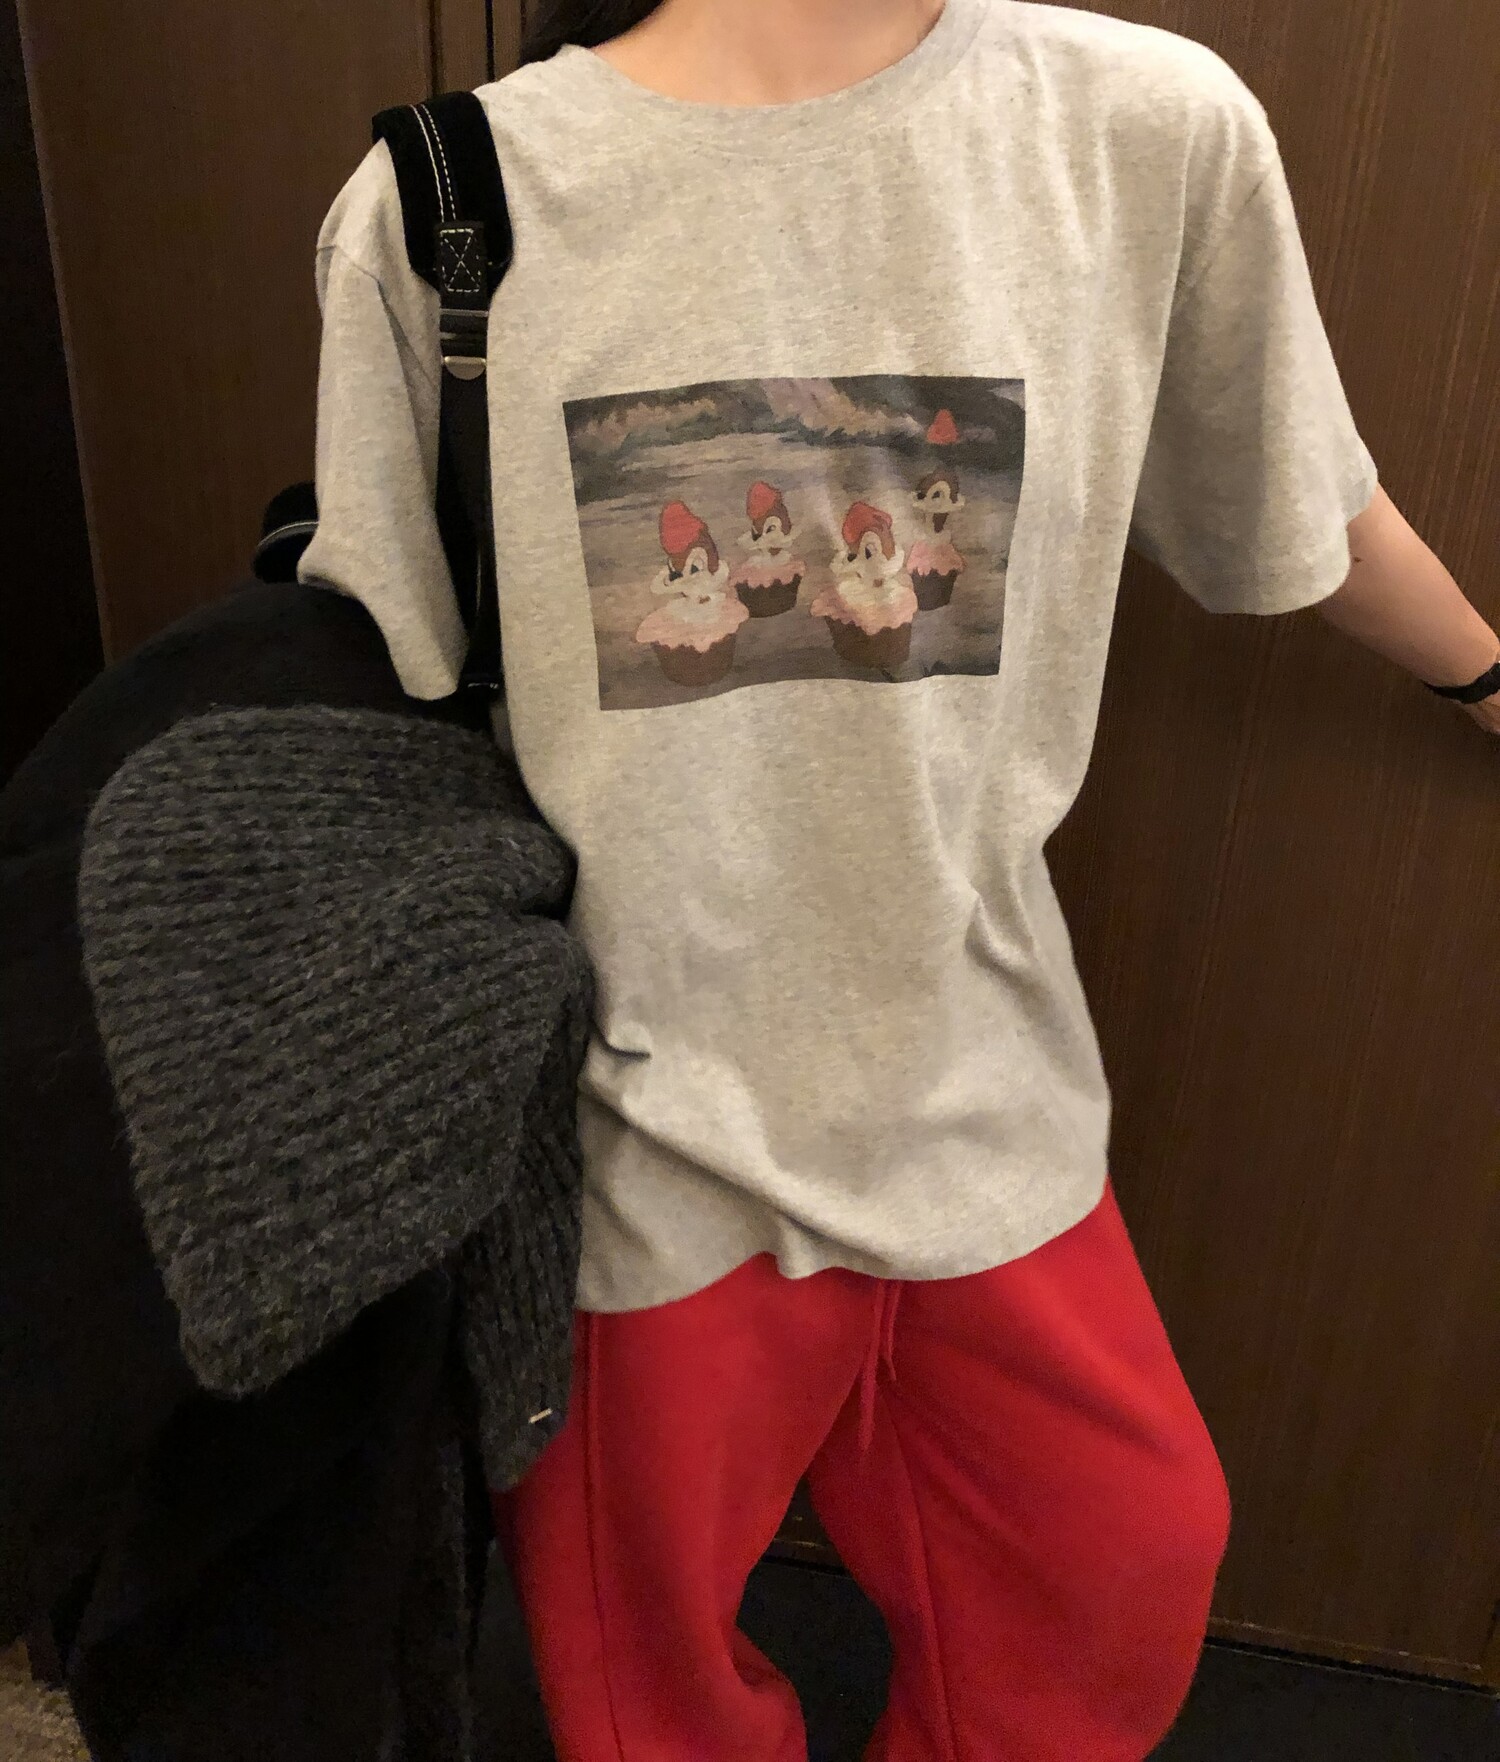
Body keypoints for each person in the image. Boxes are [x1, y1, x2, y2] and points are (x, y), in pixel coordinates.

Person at [297, 3, 1500, 1756]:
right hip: (638, 1132)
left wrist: (1486, 672)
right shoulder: (444, 207)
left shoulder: (1140, 129)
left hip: (978, 1076)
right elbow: (375, 685)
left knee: (1118, 1558)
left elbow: (1306, 499)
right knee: (644, 1689)